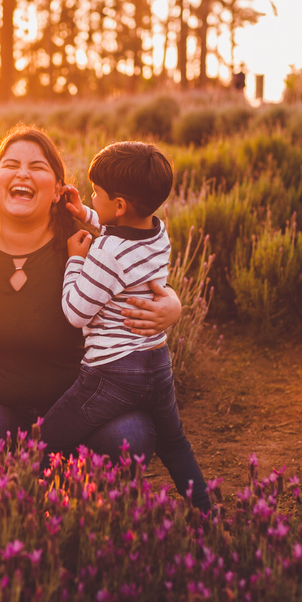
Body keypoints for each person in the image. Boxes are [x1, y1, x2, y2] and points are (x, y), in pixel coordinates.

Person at [0, 125, 182, 462]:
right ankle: (26, 471)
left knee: (130, 438)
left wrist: (173, 305)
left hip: (81, 404)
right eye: (10, 164)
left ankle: (43, 471)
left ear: (58, 189)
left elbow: (143, 276)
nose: (23, 173)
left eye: (37, 167)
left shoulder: (84, 245)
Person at [42, 142, 211, 511]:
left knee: (45, 440)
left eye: (96, 194)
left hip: (112, 373)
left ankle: (29, 505)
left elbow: (76, 312)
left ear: (119, 205)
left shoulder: (106, 253)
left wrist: (75, 261)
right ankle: (206, 512)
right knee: (174, 442)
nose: (91, 196)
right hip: (156, 361)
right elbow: (118, 225)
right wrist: (86, 212)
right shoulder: (158, 232)